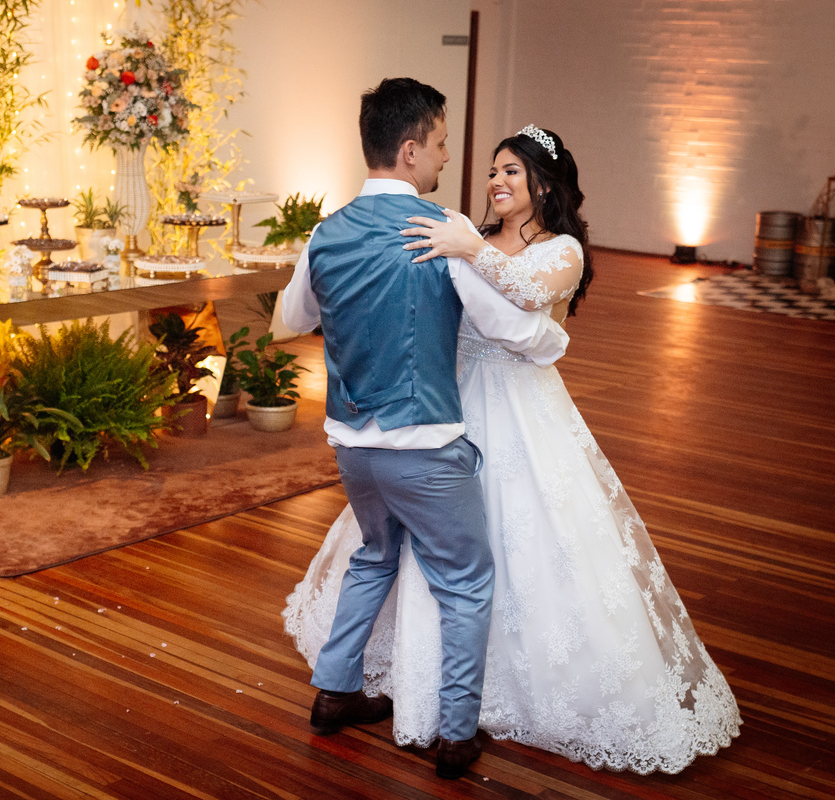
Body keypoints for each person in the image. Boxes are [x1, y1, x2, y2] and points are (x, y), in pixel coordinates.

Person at [283, 125, 742, 775]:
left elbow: (528, 297)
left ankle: (487, 695)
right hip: (442, 407)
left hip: (522, 412)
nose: (497, 182)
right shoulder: (459, 236)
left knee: (515, 545)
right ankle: (418, 686)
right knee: (411, 550)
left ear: (544, 187)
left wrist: (470, 250)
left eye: (513, 173)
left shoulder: (562, 252)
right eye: (494, 171)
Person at [279, 79, 570, 781]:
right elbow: (505, 327)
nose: (445, 159)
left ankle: (335, 691)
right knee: (465, 582)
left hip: (352, 448)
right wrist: (552, 342)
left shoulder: (326, 232)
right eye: (440, 145)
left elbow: (292, 319)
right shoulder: (435, 233)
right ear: (409, 150)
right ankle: (454, 733)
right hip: (424, 447)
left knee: (375, 557)